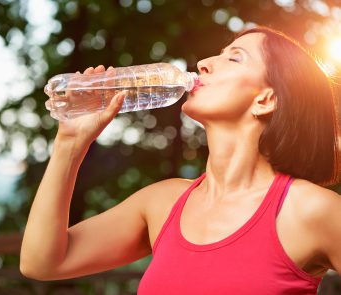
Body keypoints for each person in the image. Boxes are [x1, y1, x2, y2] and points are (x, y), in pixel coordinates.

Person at [20, 26, 341, 294]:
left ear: (265, 99)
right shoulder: (162, 202)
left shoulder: (311, 210)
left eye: (234, 57)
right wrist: (70, 143)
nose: (203, 63)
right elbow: (43, 262)